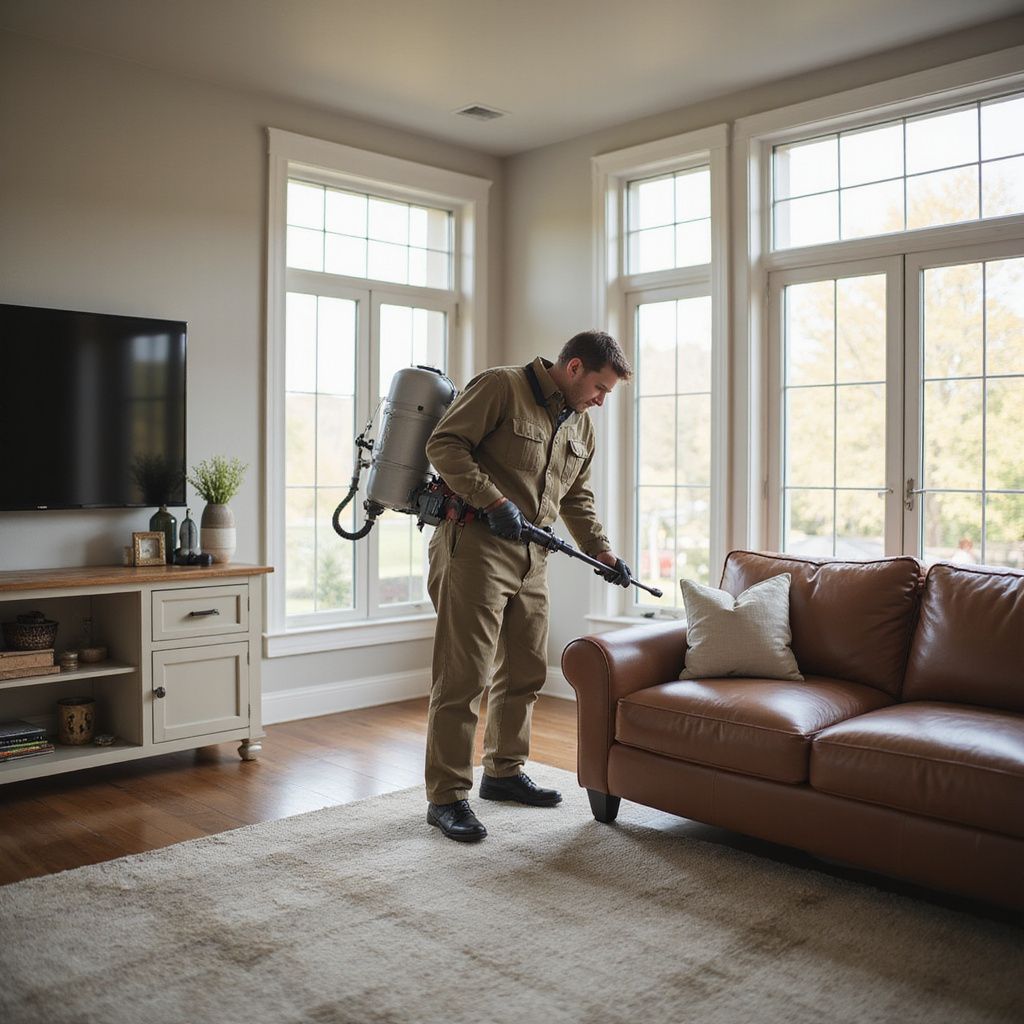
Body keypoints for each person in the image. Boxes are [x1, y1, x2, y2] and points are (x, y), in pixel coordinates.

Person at [423, 330, 633, 842]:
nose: (602, 401)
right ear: (576, 366)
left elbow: (576, 497)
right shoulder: (501, 387)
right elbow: (444, 445)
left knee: (525, 670)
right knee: (464, 675)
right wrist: (493, 500)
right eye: (601, 388)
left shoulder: (580, 424)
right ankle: (447, 797)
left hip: (534, 557)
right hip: (473, 546)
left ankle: (503, 772)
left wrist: (601, 551)